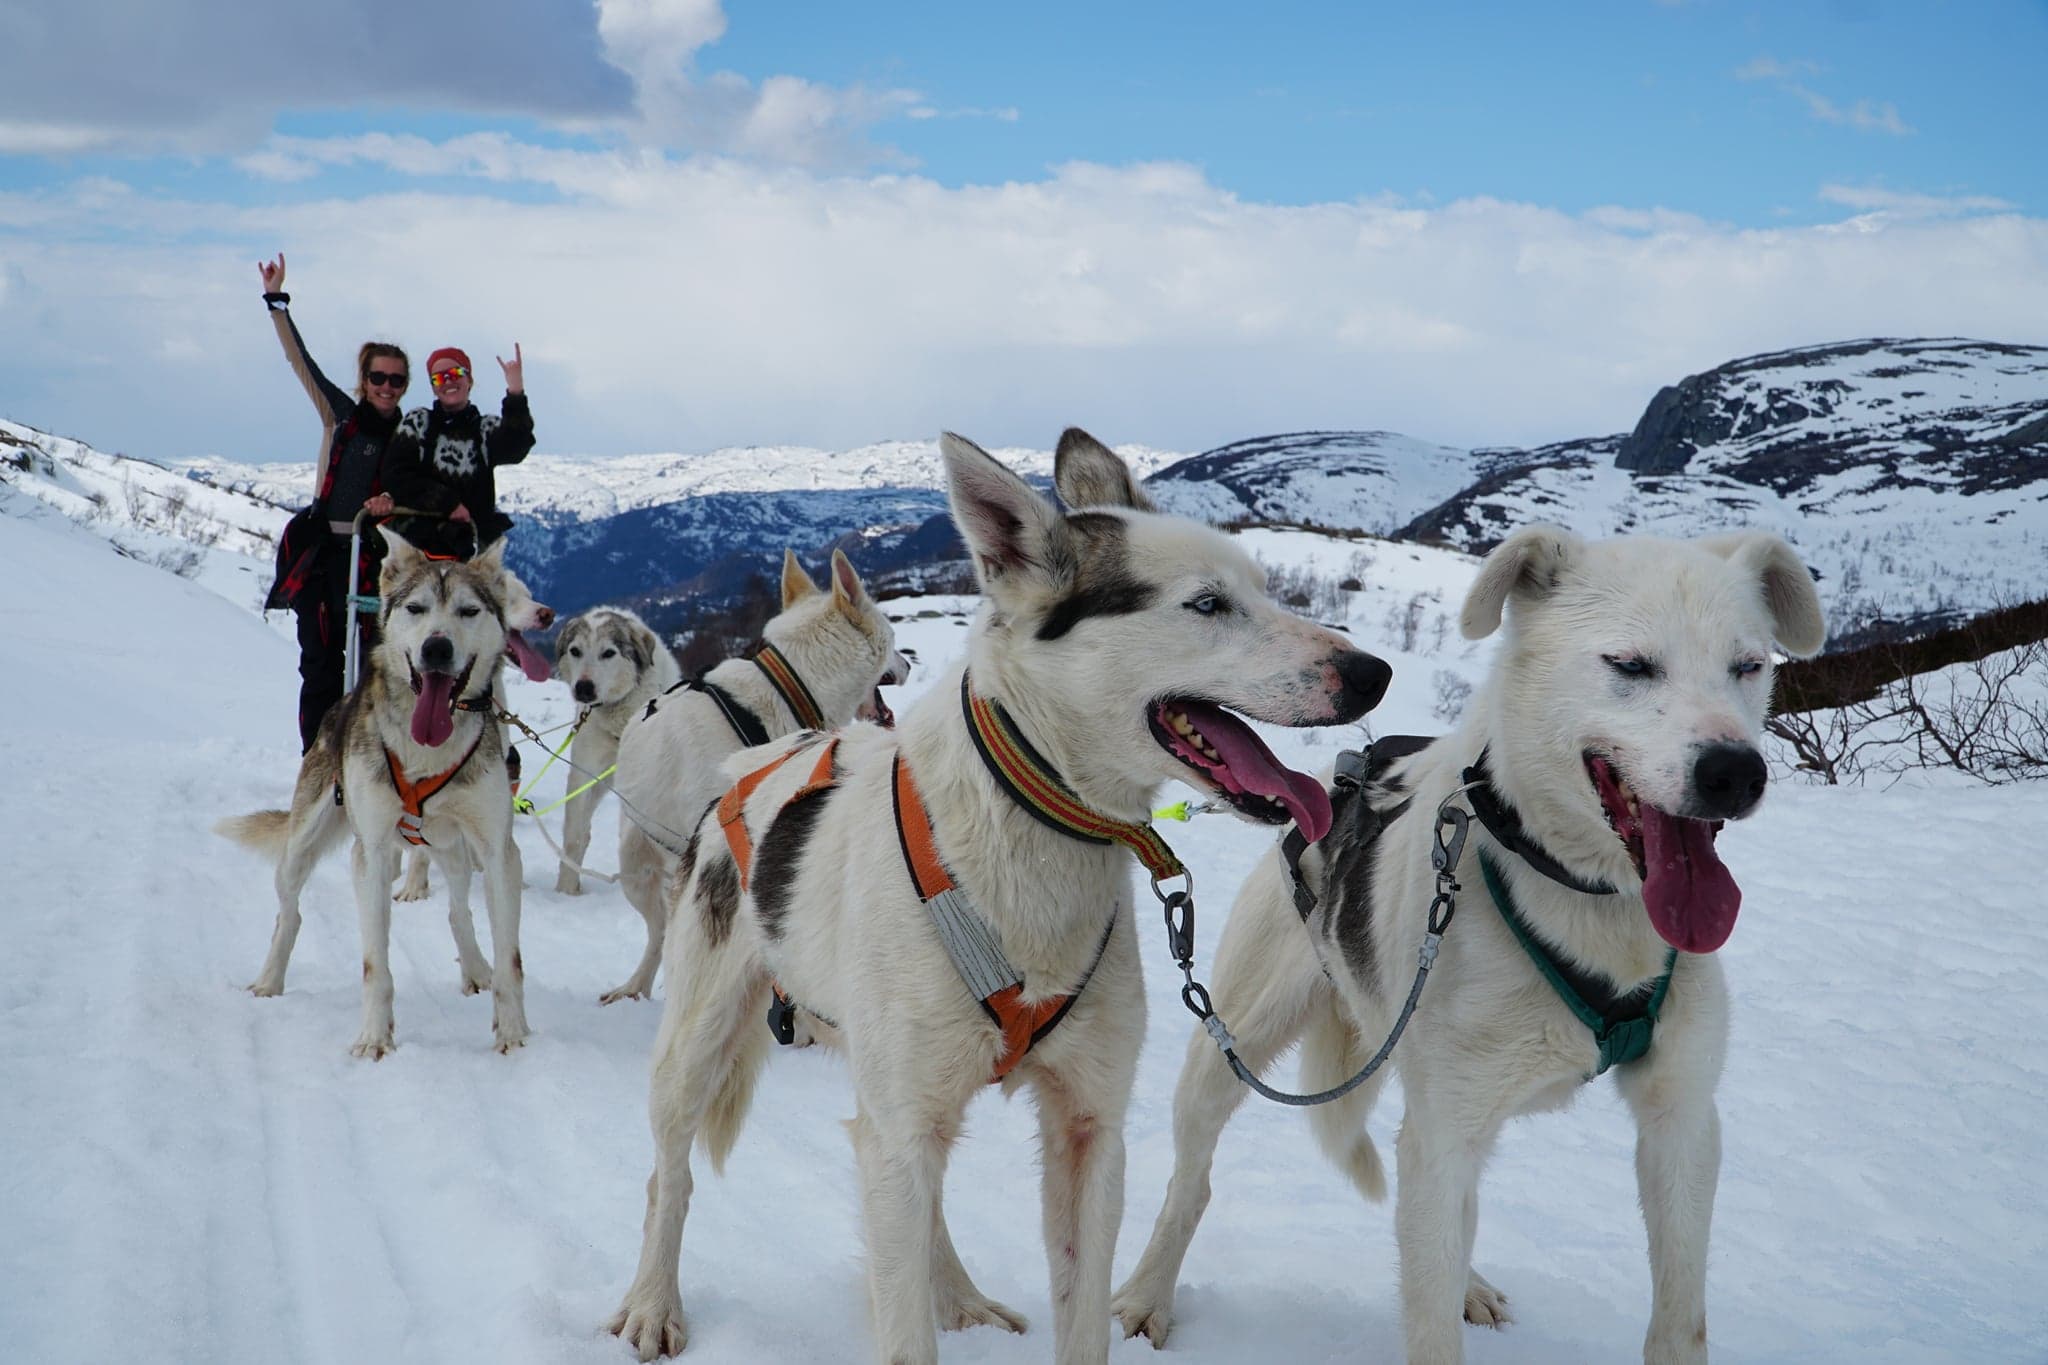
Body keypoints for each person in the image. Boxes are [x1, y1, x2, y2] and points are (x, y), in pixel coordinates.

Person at [258, 252, 405, 752]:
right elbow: (300, 363)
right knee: (321, 664)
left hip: (375, 558)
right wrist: (277, 302)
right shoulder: (339, 414)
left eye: (396, 380)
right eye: (378, 378)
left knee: (376, 668)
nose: (386, 387)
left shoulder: (410, 435)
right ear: (364, 379)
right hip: (323, 555)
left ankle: (368, 761)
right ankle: (318, 760)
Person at [381, 343, 534, 561]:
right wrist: (447, 503)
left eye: (455, 373)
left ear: (469, 379)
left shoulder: (486, 429)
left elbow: (516, 448)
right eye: (438, 378)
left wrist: (515, 392)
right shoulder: (418, 423)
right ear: (433, 387)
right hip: (420, 549)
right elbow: (395, 474)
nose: (448, 381)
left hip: (472, 550)